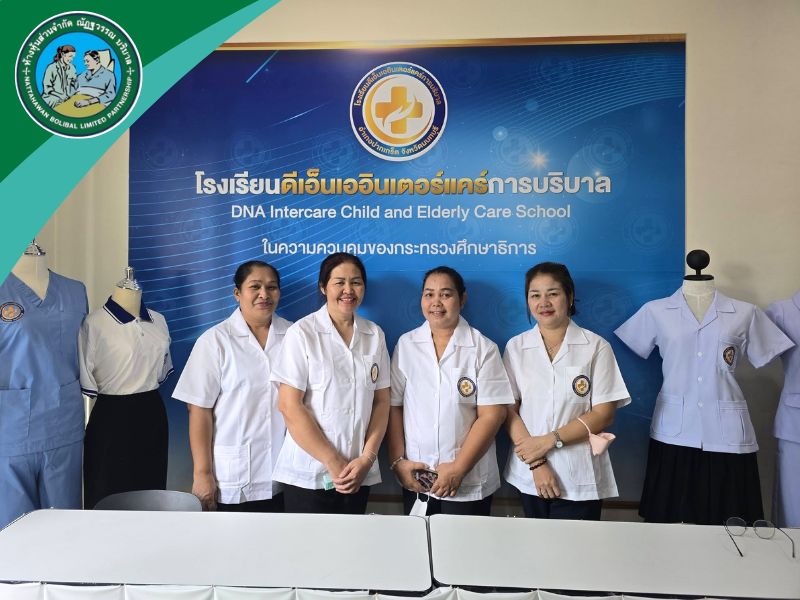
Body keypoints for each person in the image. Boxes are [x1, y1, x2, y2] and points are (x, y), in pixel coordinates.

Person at [504, 262, 630, 520]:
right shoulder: (516, 347)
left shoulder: (596, 346)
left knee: (578, 545)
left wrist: (547, 442)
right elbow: (508, 411)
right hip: (530, 474)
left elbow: (604, 414)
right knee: (534, 544)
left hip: (580, 474)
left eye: (553, 293)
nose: (543, 302)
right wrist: (537, 462)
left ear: (570, 297)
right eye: (535, 295)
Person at [388, 266, 513, 516]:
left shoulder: (483, 348)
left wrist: (458, 468)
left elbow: (492, 415)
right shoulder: (406, 344)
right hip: (417, 476)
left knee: (464, 542)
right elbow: (394, 406)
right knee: (418, 540)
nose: (436, 302)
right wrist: (398, 462)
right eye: (429, 294)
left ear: (462, 299)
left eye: (445, 294)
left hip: (469, 480)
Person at [271, 253, 390, 514]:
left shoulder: (374, 334)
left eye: (356, 282)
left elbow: (381, 403)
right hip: (309, 474)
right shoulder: (302, 333)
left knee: (353, 540)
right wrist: (332, 460)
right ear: (323, 287)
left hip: (358, 472)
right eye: (339, 282)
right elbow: (289, 406)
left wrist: (367, 458)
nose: (348, 290)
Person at [173, 261, 291, 512]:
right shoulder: (215, 340)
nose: (264, 294)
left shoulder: (295, 336)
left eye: (272, 287)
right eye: (255, 287)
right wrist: (202, 474)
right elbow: (198, 410)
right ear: (237, 293)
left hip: (286, 475)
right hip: (233, 476)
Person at [79, 269, 173, 509]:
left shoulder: (158, 320)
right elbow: (86, 377)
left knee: (151, 489)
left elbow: (162, 370)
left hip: (152, 410)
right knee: (106, 489)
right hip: (111, 415)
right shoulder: (94, 323)